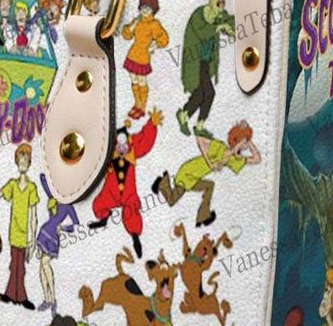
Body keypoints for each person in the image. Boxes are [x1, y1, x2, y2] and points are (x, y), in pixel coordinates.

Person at [153, 120, 260, 227]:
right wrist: (210, 163)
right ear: (236, 140)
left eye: (246, 144)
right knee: (171, 201)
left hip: (195, 178)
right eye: (245, 143)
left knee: (209, 186)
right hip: (188, 172)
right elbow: (200, 139)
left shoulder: (232, 160)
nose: (246, 147)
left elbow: (257, 159)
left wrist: (249, 141)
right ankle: (162, 182)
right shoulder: (220, 147)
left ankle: (203, 216)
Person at [88, 112, 161, 259]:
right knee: (100, 203)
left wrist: (151, 125)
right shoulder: (109, 151)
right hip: (111, 192)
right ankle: (104, 219)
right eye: (119, 145)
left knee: (131, 211)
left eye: (124, 145)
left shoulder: (133, 148)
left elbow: (144, 141)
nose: (122, 149)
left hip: (128, 194)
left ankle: (135, 237)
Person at [177, 0, 233, 137]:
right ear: (212, 2)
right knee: (208, 93)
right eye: (218, 4)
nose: (220, 8)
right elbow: (203, 32)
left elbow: (228, 19)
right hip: (196, 63)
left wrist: (232, 27)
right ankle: (195, 122)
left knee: (202, 93)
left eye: (222, 4)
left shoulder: (217, 16)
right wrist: (218, 28)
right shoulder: (199, 15)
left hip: (207, 63)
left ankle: (188, 117)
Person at [0, 144, 39, 310]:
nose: (23, 163)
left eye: (26, 160)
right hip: (14, 233)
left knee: (20, 267)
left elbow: (34, 215)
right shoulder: (12, 185)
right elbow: (0, 194)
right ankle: (14, 295)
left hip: (25, 235)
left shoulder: (31, 188)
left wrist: (33, 239)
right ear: (16, 162)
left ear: (29, 163)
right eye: (20, 160)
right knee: (15, 264)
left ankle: (18, 296)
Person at [121, 0, 169, 120]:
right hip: (132, 54)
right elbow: (126, 35)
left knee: (141, 81)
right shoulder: (137, 21)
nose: (145, 10)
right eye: (142, 7)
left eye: (148, 8)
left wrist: (155, 45)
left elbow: (164, 39)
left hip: (143, 56)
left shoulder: (154, 24)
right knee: (134, 80)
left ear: (153, 9)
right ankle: (136, 104)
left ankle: (142, 107)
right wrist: (131, 27)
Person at [36, 172, 79, 314]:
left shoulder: (68, 206)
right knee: (41, 267)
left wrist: (64, 228)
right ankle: (47, 299)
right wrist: (55, 174)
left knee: (45, 263)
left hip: (53, 236)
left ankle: (53, 298)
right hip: (44, 232)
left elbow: (76, 224)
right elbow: (42, 178)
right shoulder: (52, 197)